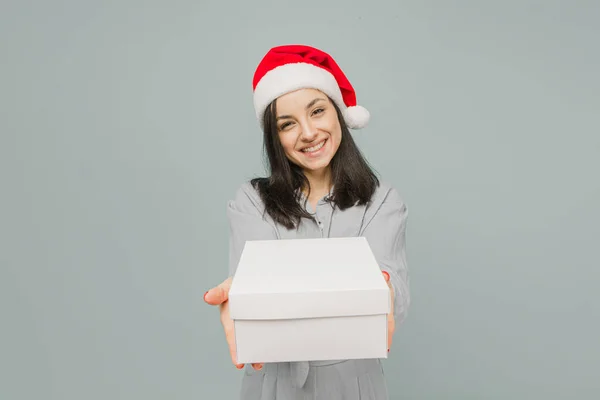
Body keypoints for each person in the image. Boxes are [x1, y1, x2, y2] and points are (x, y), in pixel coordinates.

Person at [204, 44, 410, 399]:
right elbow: (255, 291)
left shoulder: (382, 200)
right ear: (275, 137)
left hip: (354, 386)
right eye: (287, 124)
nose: (309, 132)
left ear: (338, 113)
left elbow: (389, 286)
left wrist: (384, 291)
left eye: (317, 111)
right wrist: (242, 294)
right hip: (272, 386)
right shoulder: (251, 202)